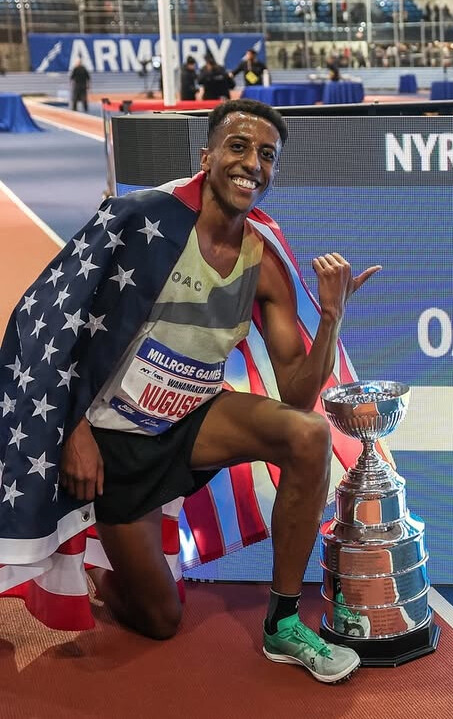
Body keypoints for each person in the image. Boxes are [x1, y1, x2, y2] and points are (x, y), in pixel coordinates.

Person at [0, 99, 379, 684]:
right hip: (114, 442)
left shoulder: (264, 259)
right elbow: (46, 321)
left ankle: (282, 623)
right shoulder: (141, 220)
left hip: (192, 422)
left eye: (266, 155)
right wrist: (74, 431)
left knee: (306, 434)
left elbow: (298, 397)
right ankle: (101, 562)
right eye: (238, 147)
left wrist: (330, 318)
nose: (252, 163)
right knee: (160, 620)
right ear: (207, 156)